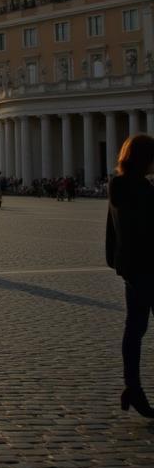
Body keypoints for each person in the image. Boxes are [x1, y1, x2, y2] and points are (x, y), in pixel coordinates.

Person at [105, 133, 154, 418]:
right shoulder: (144, 191)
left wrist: (117, 263)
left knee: (134, 330)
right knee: (135, 330)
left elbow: (112, 231)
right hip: (149, 268)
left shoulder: (119, 186)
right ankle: (133, 388)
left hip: (132, 269)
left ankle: (132, 387)